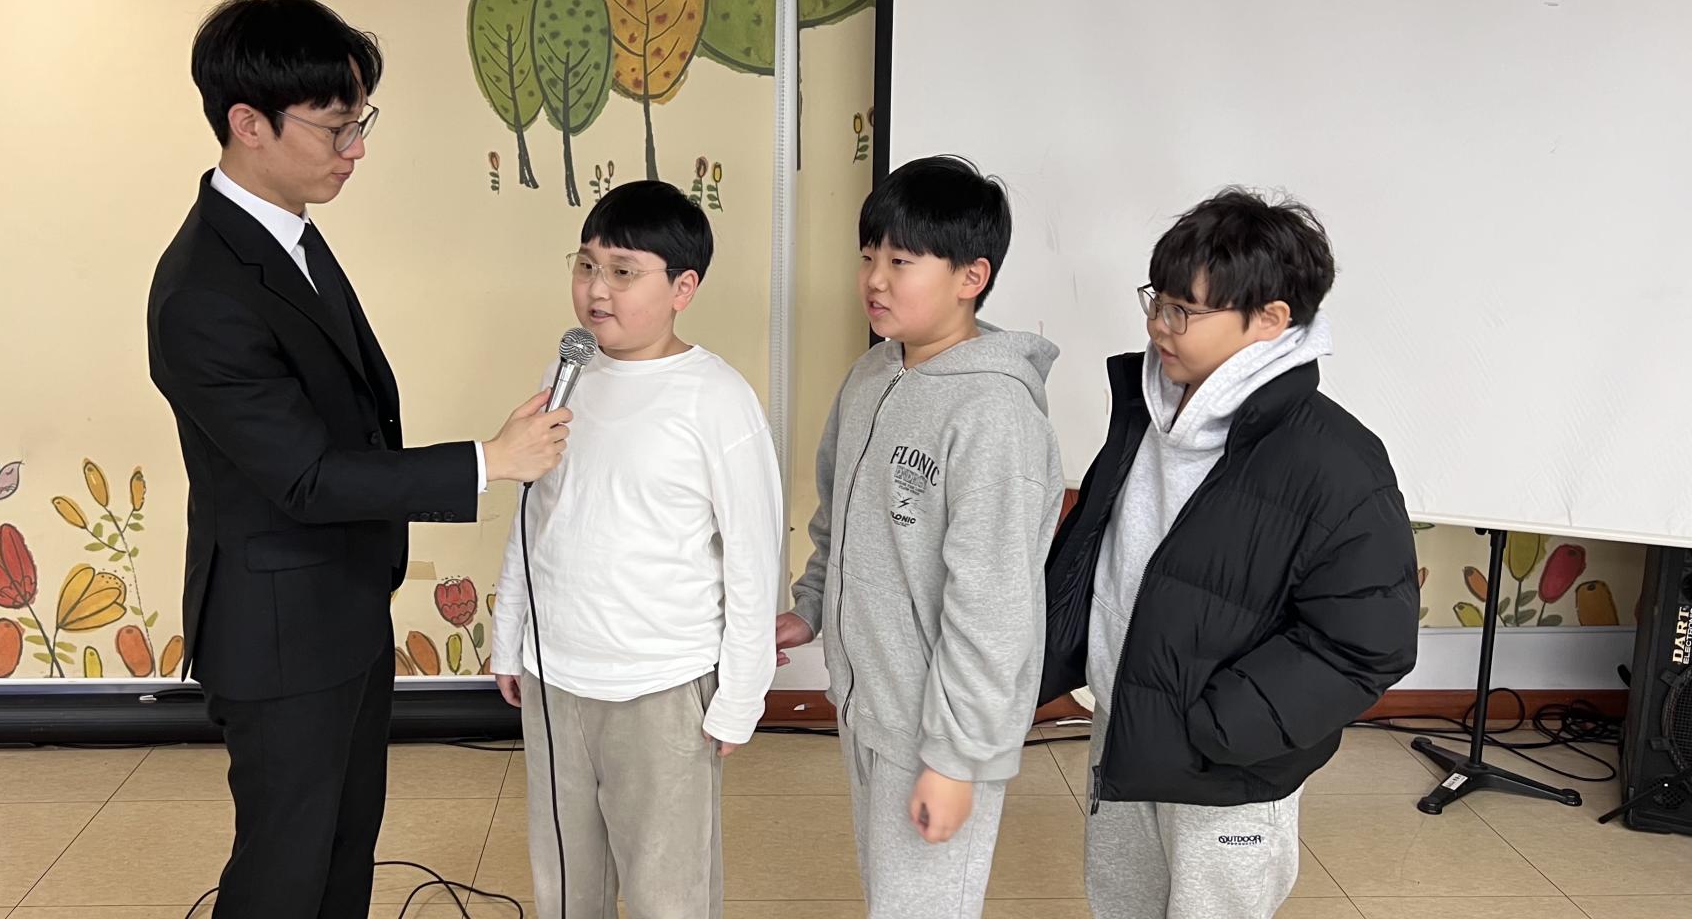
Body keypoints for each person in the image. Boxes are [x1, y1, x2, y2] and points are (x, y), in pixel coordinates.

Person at [146, 0, 570, 919]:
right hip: (278, 631)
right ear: (248, 124)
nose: (356, 148)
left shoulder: (287, 231)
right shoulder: (204, 291)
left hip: (337, 604)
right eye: (336, 126)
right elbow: (304, 475)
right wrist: (488, 461)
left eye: (360, 122)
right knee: (283, 874)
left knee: (342, 853)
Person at [1040, 187, 1418, 919]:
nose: (1159, 324)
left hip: (1226, 765)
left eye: (1185, 310)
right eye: (1157, 301)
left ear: (1270, 319)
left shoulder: (1337, 462)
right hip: (1125, 726)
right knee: (1121, 904)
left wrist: (1217, 728)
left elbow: (1368, 645)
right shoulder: (1146, 411)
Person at [775, 155, 1064, 918]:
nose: (874, 279)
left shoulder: (994, 416)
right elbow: (840, 515)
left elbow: (993, 606)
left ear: (972, 276)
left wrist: (956, 758)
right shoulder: (873, 375)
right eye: (868, 256)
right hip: (870, 705)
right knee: (892, 899)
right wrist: (810, 606)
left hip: (937, 728)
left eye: (901, 261)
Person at [490, 180, 783, 919]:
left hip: (662, 685)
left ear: (683, 288)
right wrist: (510, 636)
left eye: (623, 271)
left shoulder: (716, 398)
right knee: (565, 883)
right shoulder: (565, 377)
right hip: (557, 675)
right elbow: (533, 516)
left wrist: (741, 696)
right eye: (586, 265)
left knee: (666, 891)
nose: (597, 289)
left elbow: (753, 558)